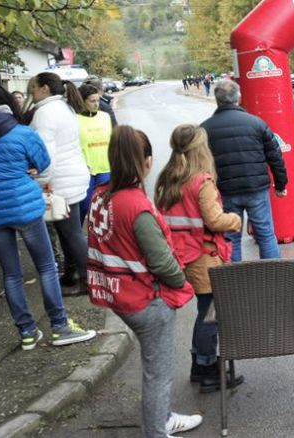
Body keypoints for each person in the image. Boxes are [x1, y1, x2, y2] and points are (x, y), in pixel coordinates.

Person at [86, 126, 202, 438]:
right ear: (147, 162)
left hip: (116, 294)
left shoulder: (100, 196)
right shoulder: (136, 207)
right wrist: (179, 281)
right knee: (158, 372)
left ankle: (163, 417)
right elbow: (162, 262)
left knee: (154, 368)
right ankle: (157, 429)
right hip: (145, 300)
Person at [0, 86, 96, 351]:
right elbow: (45, 164)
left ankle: (27, 333)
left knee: (11, 274)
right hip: (26, 207)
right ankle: (60, 327)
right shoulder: (23, 133)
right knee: (47, 267)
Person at [155, 125, 244, 394]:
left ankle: (198, 365)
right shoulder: (201, 181)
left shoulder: (166, 178)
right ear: (201, 150)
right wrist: (235, 219)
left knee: (204, 311)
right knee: (210, 315)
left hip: (181, 254)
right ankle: (207, 370)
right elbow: (215, 220)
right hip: (203, 255)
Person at [201, 80, 287, 262]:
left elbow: (199, 165)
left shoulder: (205, 129)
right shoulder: (256, 123)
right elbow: (275, 156)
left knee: (231, 237)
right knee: (265, 233)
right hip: (256, 188)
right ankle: (274, 277)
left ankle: (235, 282)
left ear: (216, 100)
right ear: (238, 98)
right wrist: (281, 184)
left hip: (225, 191)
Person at [27, 72, 91, 296]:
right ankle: (73, 274)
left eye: (33, 88)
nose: (31, 93)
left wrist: (40, 181)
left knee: (71, 233)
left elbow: (46, 154)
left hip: (60, 180)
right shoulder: (64, 107)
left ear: (45, 88)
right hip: (72, 175)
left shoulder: (45, 113)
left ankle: (87, 281)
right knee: (68, 232)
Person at [76, 84, 113, 226]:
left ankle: (100, 238)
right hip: (86, 170)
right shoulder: (75, 119)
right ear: (83, 101)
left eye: (98, 100)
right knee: (84, 206)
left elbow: (112, 139)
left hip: (105, 168)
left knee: (103, 208)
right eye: (92, 101)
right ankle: (76, 235)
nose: (96, 104)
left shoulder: (105, 117)